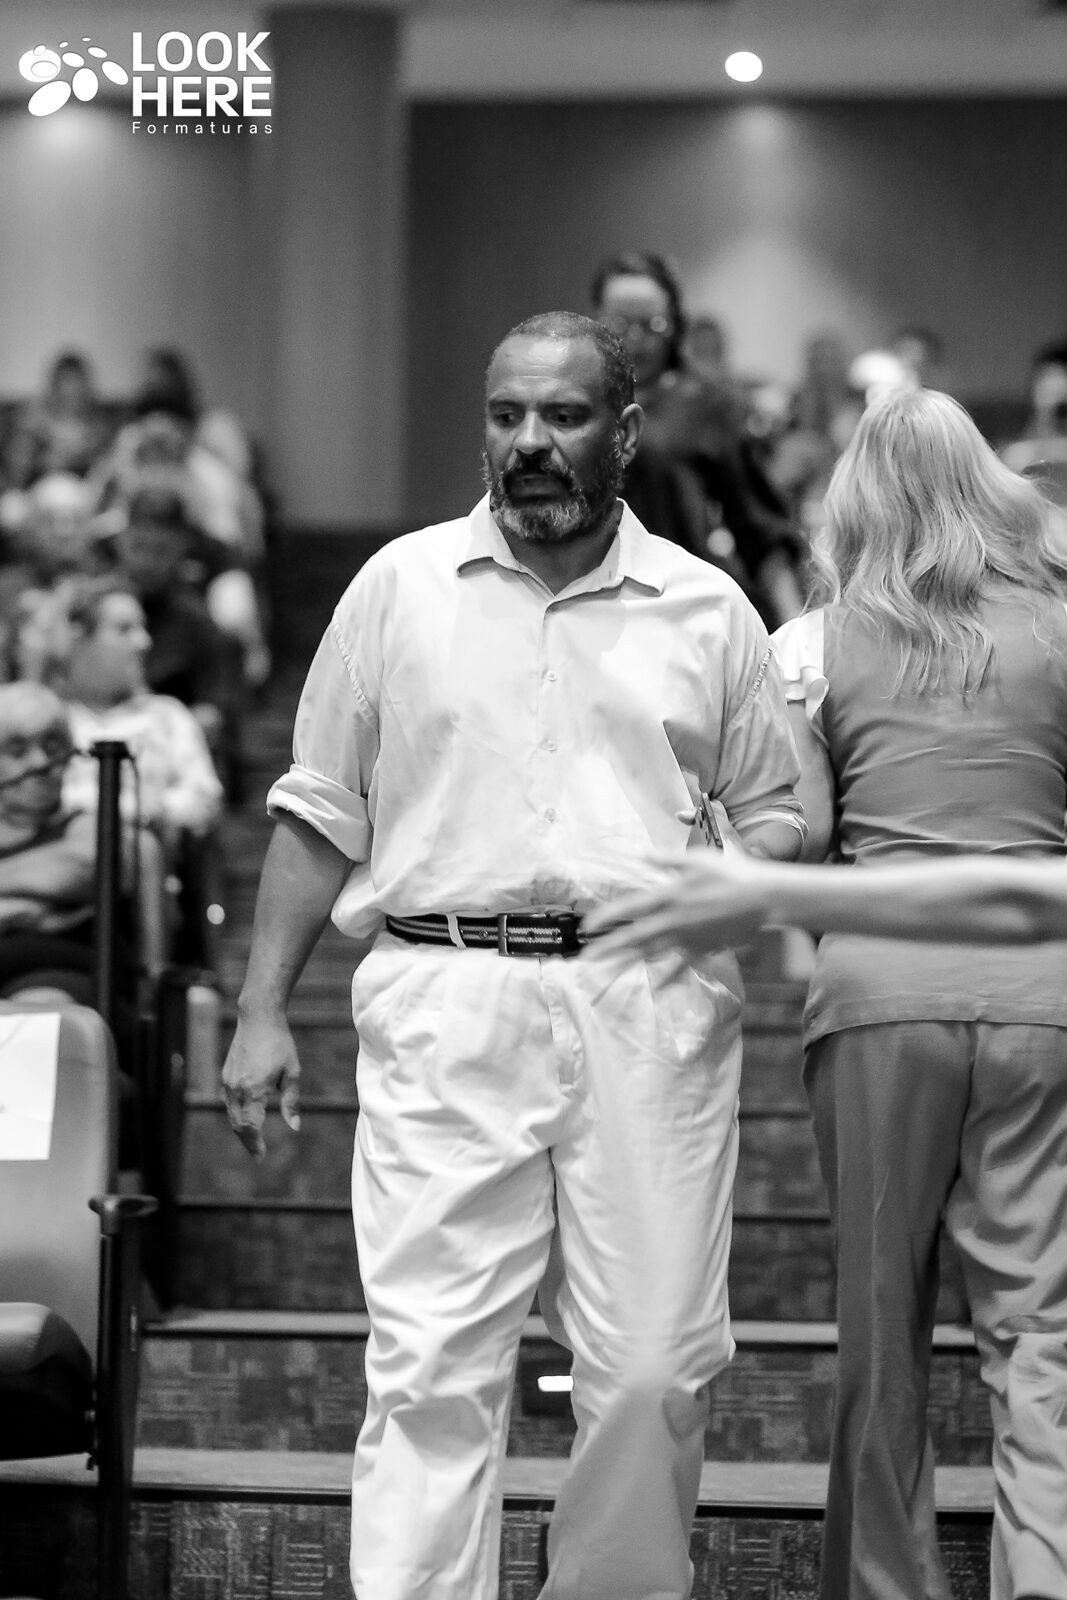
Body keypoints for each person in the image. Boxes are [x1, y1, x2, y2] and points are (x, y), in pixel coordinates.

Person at [221, 311, 805, 1600]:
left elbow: (777, 806)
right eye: (505, 415)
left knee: (654, 1369)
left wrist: (732, 883)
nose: (528, 441)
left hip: (646, 1004)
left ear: (625, 432)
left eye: (562, 415)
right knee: (429, 1370)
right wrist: (261, 1009)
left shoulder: (706, 607)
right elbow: (318, 810)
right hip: (442, 998)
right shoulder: (399, 586)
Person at [598, 388, 1067, 1600]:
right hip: (1044, 994)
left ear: (850, 500)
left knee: (880, 1328)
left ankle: (883, 1585)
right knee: (1044, 1338)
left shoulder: (807, 645)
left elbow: (800, 834)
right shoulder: (1063, 625)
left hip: (875, 1001)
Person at [590, 251, 805, 626]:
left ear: (674, 325)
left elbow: (758, 529)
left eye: (652, 325)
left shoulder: (708, 402)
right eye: (621, 324)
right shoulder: (575, 400)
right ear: (596, 322)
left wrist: (793, 630)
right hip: (589, 609)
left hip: (685, 612)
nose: (636, 340)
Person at [27, 575, 224, 853]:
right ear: (79, 639)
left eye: (142, 627)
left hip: (145, 862)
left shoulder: (166, 715)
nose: (144, 642)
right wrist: (122, 808)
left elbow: (205, 799)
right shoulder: (45, 719)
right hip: (52, 862)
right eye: (124, 629)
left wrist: (158, 809)